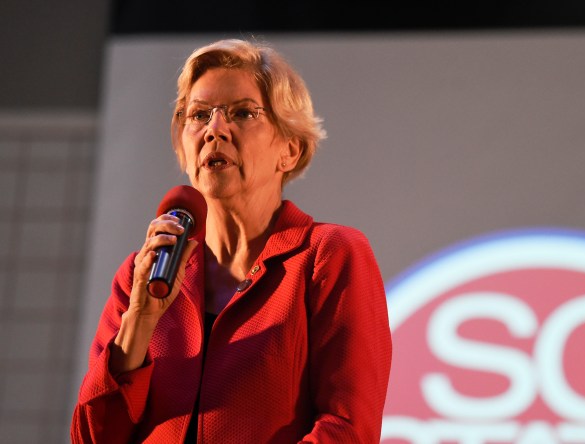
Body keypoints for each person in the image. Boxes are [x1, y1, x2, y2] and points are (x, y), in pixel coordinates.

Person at [71, 38, 393, 443]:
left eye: (242, 113)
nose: (214, 130)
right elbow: (92, 437)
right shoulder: (142, 274)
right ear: (184, 149)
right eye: (199, 115)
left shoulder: (326, 255)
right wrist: (140, 319)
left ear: (290, 150)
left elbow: (348, 428)